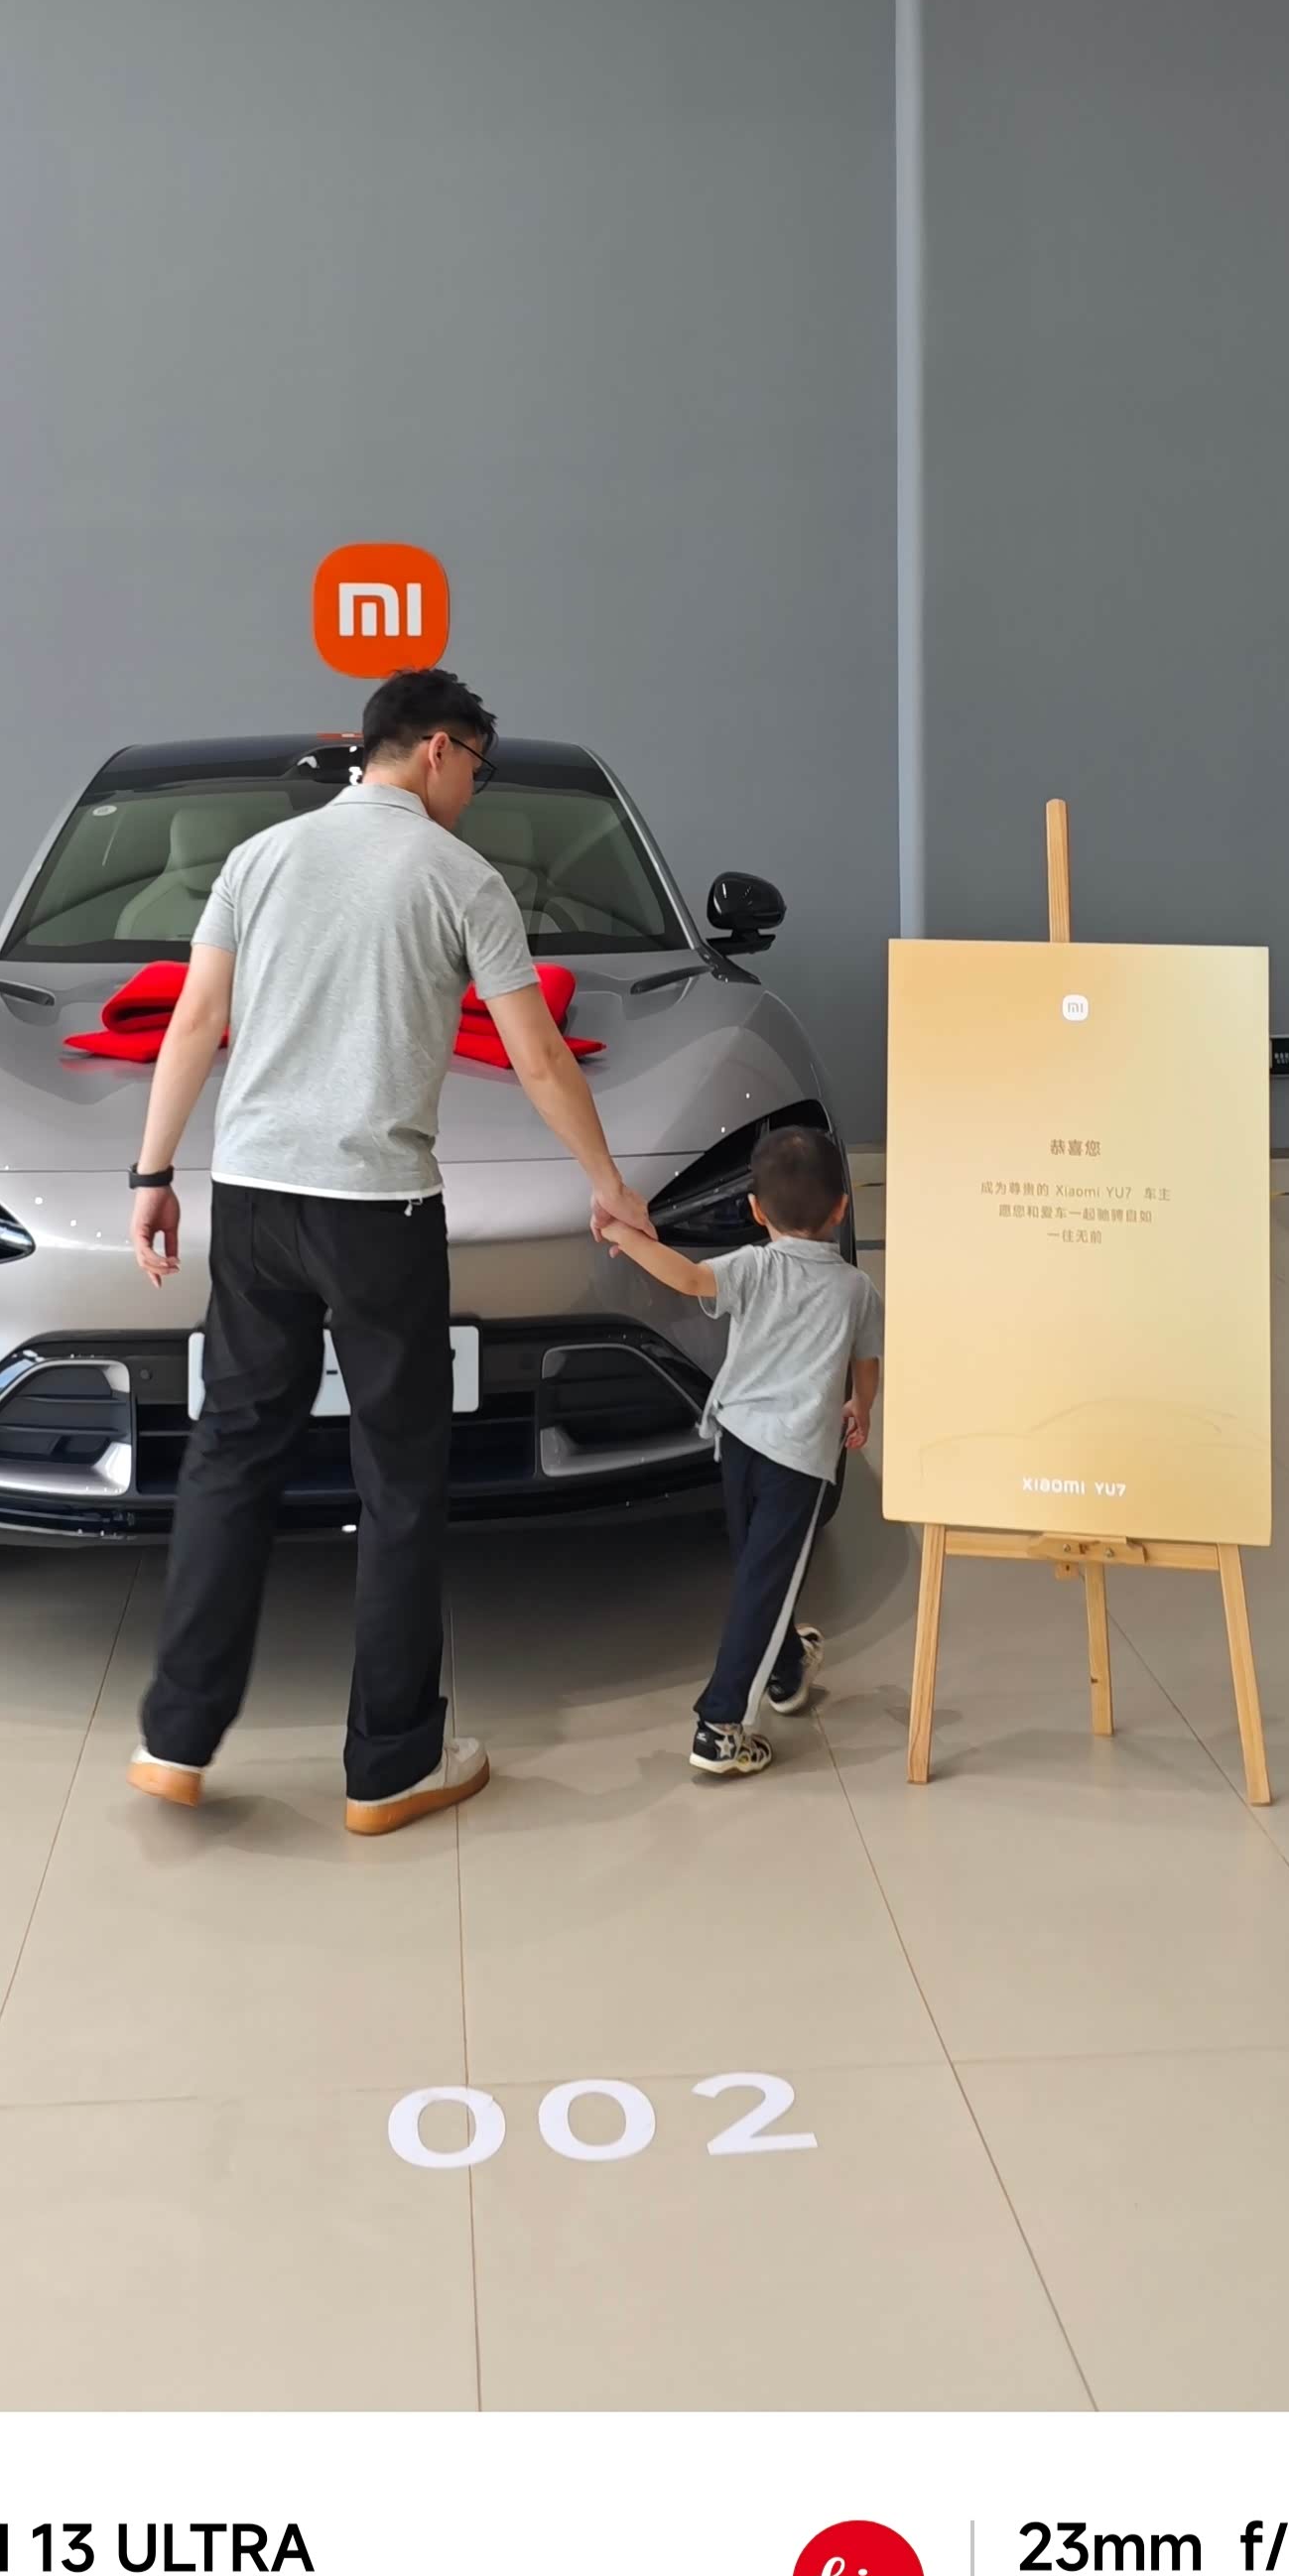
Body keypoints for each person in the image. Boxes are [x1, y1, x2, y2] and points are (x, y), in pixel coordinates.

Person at [123, 667, 652, 1833]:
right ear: (439, 749)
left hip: (252, 1200)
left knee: (231, 1454)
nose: (474, 790)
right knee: (400, 1478)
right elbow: (536, 1056)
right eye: (478, 768)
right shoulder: (459, 877)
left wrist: (152, 1175)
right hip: (375, 1208)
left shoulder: (260, 859)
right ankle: (390, 1763)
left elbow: (197, 1022)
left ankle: (175, 1736)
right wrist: (608, 1186)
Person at [602, 1124, 881, 1779]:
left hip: (737, 1441)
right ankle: (721, 1726)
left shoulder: (753, 1266)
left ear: (756, 1209)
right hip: (798, 1458)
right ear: (842, 1207)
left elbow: (687, 1277)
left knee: (758, 1570)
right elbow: (866, 1362)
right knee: (767, 1581)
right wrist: (860, 1406)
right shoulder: (855, 1290)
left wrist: (625, 1236)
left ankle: (785, 1669)